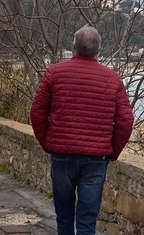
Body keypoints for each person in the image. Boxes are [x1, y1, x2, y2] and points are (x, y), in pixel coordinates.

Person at [30, 25, 134, 235]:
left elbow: (37, 113)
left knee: (64, 215)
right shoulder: (112, 80)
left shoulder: (55, 73)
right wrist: (112, 151)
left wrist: (48, 142)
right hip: (95, 160)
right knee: (87, 220)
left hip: (62, 155)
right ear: (98, 50)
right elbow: (126, 121)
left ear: (74, 47)